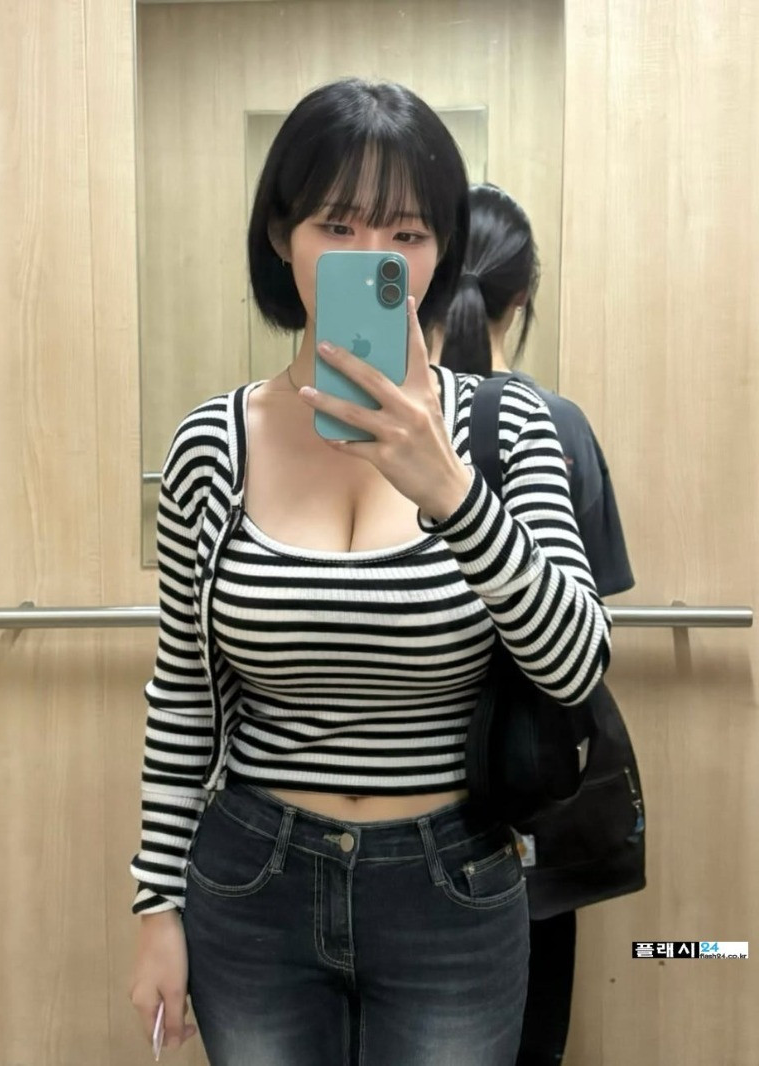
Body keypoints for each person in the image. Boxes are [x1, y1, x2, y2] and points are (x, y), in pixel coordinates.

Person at [128, 81, 612, 1066]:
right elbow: (182, 695)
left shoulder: (508, 426)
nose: (373, 256)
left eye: (406, 233)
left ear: (441, 249)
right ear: (281, 235)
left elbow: (574, 665)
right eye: (337, 226)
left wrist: (452, 493)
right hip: (249, 882)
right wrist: (155, 907)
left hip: (452, 884)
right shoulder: (212, 444)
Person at [431, 182, 635, 1065]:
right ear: (524, 298)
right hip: (527, 803)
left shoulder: (382, 433)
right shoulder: (556, 425)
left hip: (407, 812)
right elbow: (589, 616)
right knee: (529, 1035)